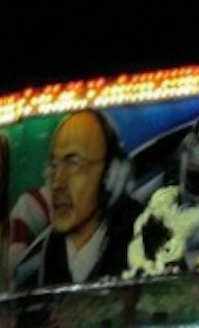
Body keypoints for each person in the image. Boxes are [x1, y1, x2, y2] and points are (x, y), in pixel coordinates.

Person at [20, 112, 136, 289]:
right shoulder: (49, 250)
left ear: (110, 175)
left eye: (73, 163)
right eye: (53, 165)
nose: (57, 183)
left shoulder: (143, 234)